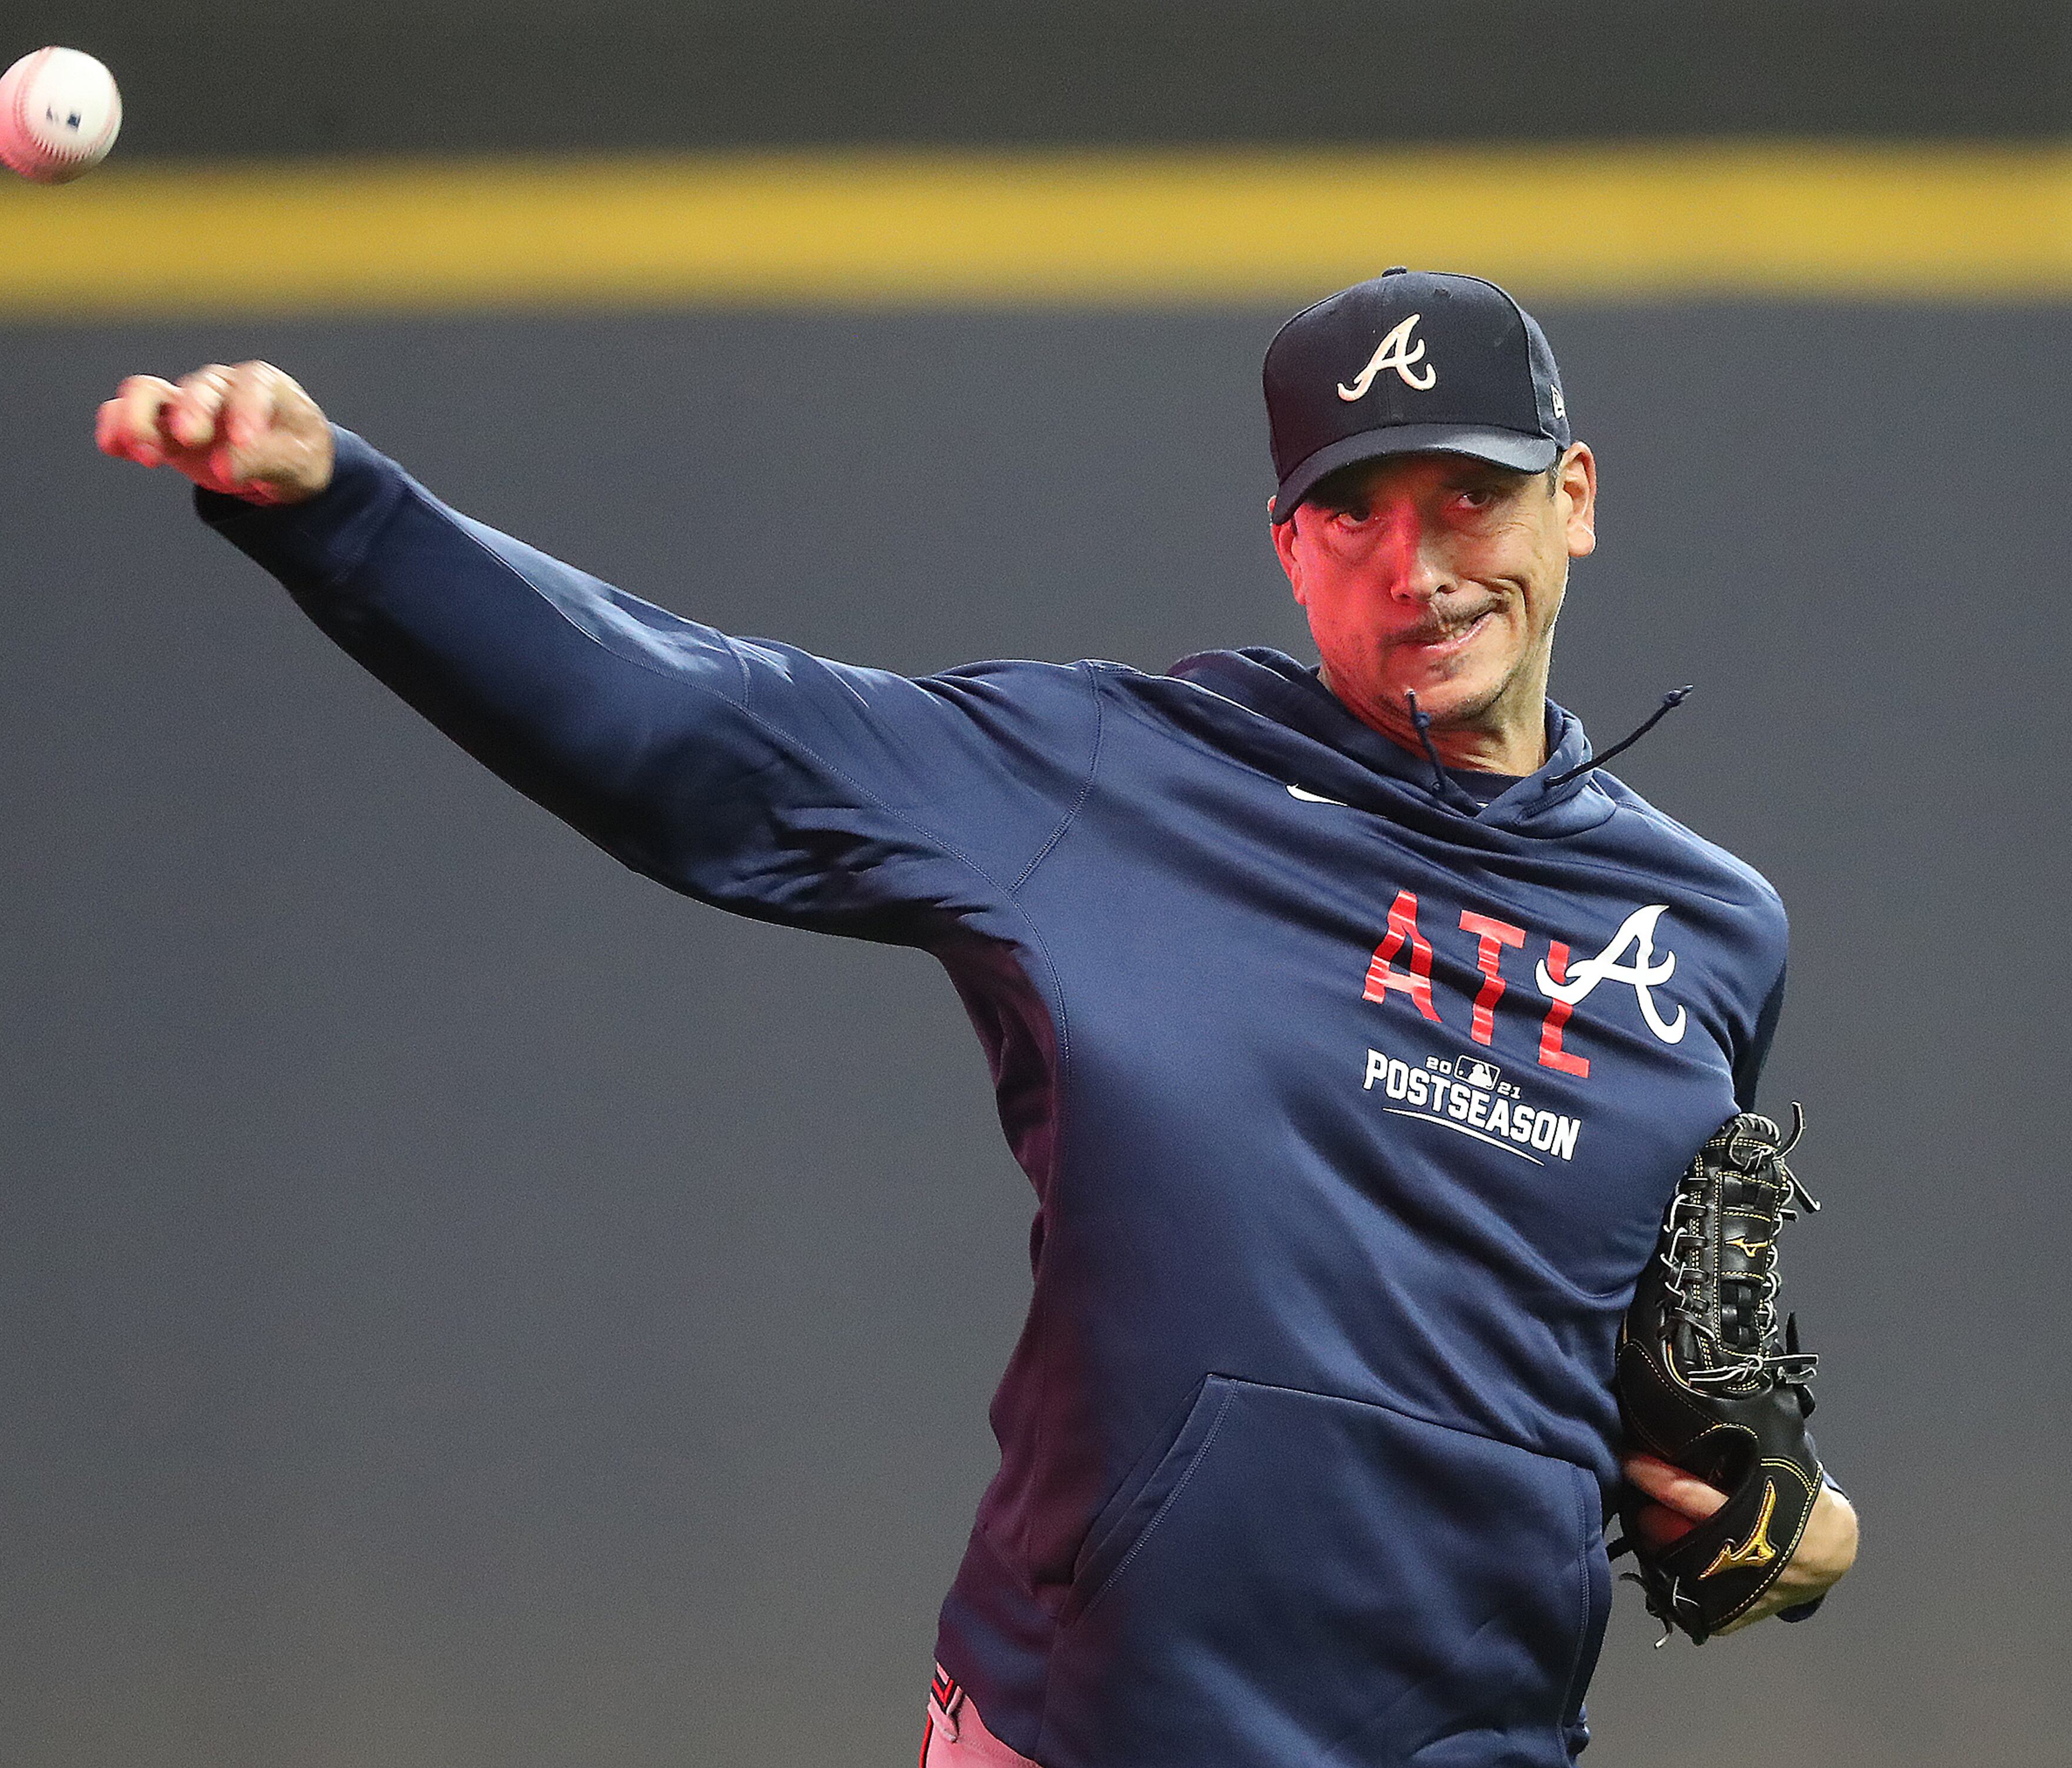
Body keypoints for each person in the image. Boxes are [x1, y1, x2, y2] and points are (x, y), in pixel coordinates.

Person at [96, 267, 1857, 1767]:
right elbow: (700, 733)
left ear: (1576, 495)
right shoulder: (1112, 783)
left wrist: (1803, 1524)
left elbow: (1645, 1393)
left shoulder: (1706, 933)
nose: (1416, 566)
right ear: (1286, 543)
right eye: (1353, 508)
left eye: (1465, 495)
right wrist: (341, 509)